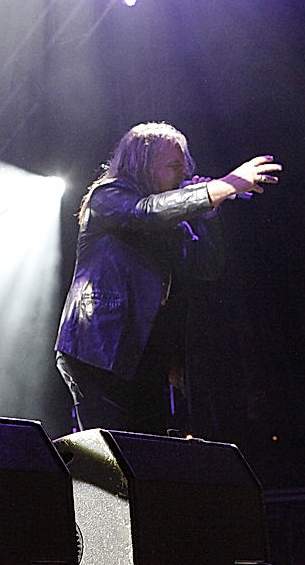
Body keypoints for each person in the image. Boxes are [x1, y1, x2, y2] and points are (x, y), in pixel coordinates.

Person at [54, 122, 282, 435]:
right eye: (173, 166)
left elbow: (206, 265)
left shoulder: (171, 220)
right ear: (142, 165)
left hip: (147, 353)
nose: (181, 174)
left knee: (149, 457)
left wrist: (209, 213)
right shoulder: (107, 196)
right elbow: (145, 213)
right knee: (112, 456)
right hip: (99, 347)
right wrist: (224, 185)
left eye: (183, 166)